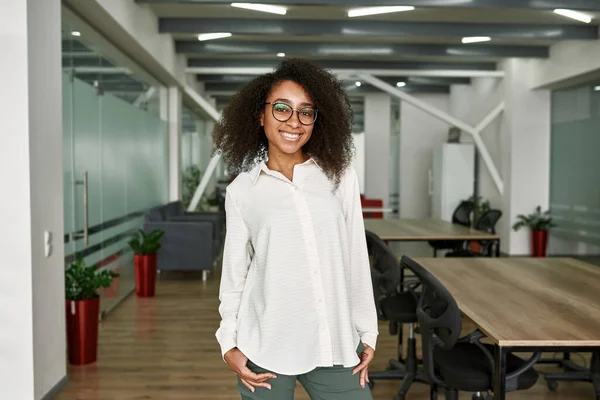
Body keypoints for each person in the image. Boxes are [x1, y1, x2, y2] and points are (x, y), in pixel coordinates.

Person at [213, 58, 379, 400]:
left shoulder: (340, 175)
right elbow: (235, 277)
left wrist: (368, 332)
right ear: (261, 115)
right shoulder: (243, 191)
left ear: (317, 119)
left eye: (306, 111)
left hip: (333, 341)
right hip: (265, 345)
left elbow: (355, 257)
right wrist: (228, 342)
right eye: (282, 109)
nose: (294, 121)